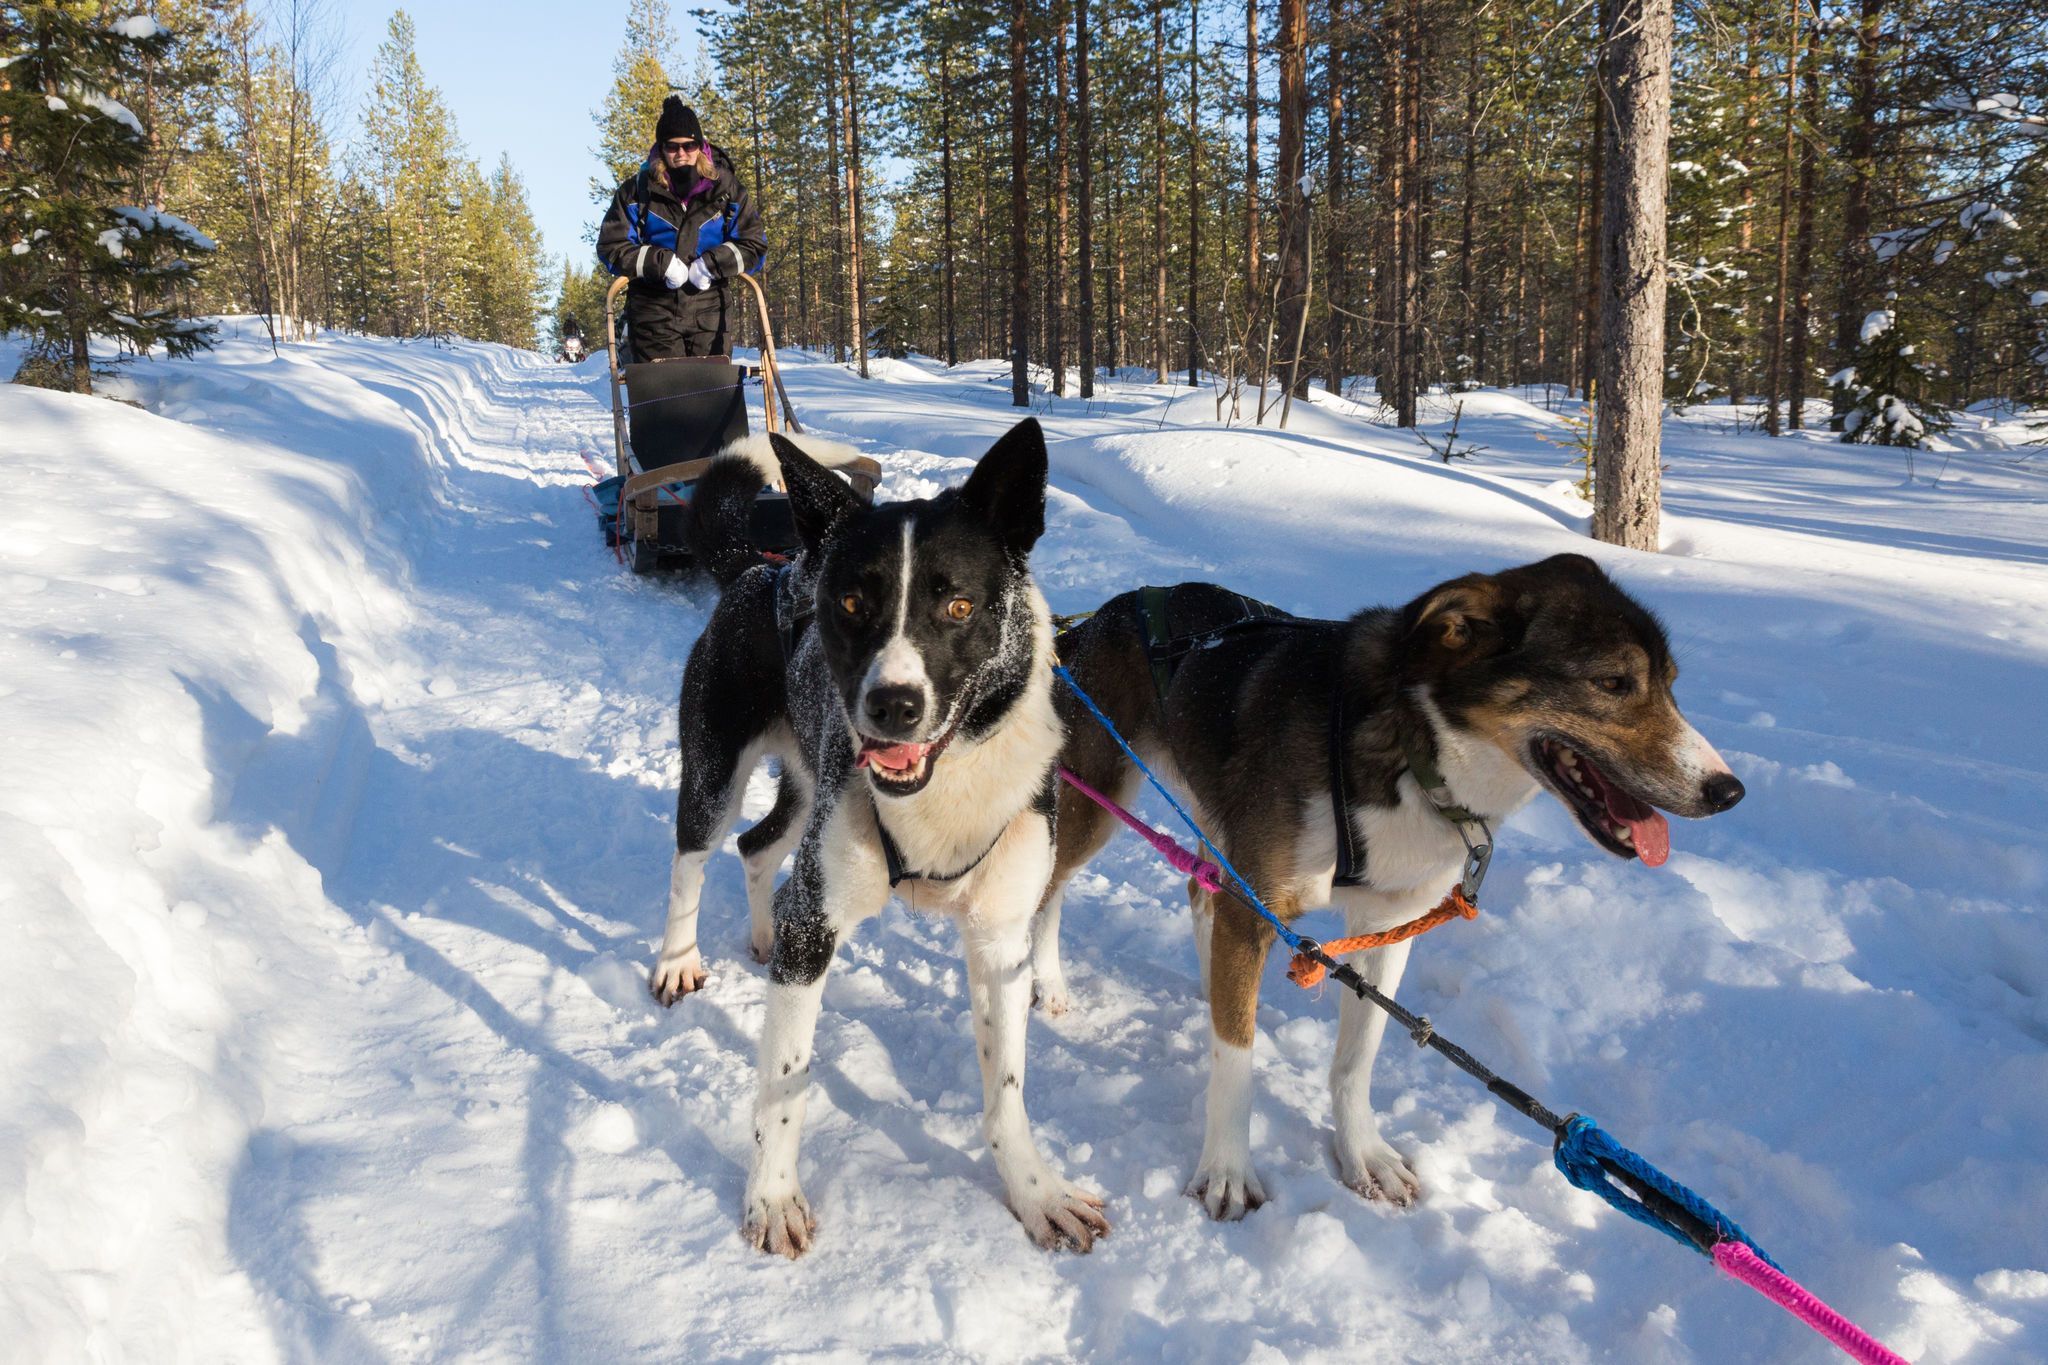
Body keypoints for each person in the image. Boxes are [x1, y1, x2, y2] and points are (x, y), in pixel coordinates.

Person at [596, 97, 766, 361]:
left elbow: (753, 244)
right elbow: (611, 246)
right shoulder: (637, 192)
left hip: (710, 308)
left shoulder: (725, 190)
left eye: (689, 145)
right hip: (653, 309)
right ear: (661, 149)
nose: (682, 153)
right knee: (667, 394)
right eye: (672, 147)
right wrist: (659, 264)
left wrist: (712, 264)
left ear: (700, 146)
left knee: (713, 391)